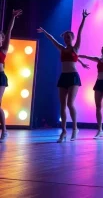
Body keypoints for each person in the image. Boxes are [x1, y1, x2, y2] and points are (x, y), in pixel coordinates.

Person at [37, 9, 90, 142]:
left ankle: (75, 128)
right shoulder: (61, 48)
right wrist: (44, 32)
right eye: (65, 37)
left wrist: (83, 19)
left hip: (73, 77)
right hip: (63, 77)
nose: (67, 39)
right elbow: (52, 39)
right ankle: (64, 131)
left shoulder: (75, 48)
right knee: (62, 105)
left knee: (70, 103)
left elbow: (80, 32)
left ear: (71, 39)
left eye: (68, 37)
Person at [0, 9, 23, 142]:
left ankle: (4, 131)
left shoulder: (3, 49)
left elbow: (9, 32)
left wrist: (13, 17)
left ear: (2, 39)